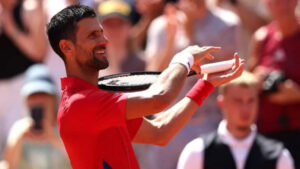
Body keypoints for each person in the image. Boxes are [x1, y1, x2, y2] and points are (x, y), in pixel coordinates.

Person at [46, 4, 244, 169]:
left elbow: (160, 131)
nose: (104, 40)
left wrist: (205, 84)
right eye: (92, 35)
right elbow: (159, 98)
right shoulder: (80, 104)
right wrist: (184, 59)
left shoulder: (97, 100)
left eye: (101, 33)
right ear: (66, 47)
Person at [177, 71, 295, 169]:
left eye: (250, 100)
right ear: (222, 103)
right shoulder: (197, 152)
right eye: (238, 101)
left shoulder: (279, 156)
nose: (245, 108)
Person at [248, 0, 300, 168]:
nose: (281, 6)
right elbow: (247, 84)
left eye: (286, 1)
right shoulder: (262, 37)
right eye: (275, 2)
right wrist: (257, 81)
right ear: (267, 5)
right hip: (266, 132)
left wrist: (297, 94)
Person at [0, 0, 48, 158]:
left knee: (23, 148)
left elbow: (39, 52)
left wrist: (10, 27)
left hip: (25, 88)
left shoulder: (30, 8)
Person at [2, 64, 71, 169]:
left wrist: (56, 141)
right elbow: (8, 166)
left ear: (54, 99)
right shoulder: (20, 130)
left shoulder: (67, 127)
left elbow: (86, 162)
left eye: (43, 93)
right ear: (26, 101)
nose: (38, 99)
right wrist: (16, 139)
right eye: (33, 95)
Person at [96, 0, 145, 76]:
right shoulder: (91, 64)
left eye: (119, 24)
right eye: (109, 24)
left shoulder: (143, 63)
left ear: (129, 26)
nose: (115, 30)